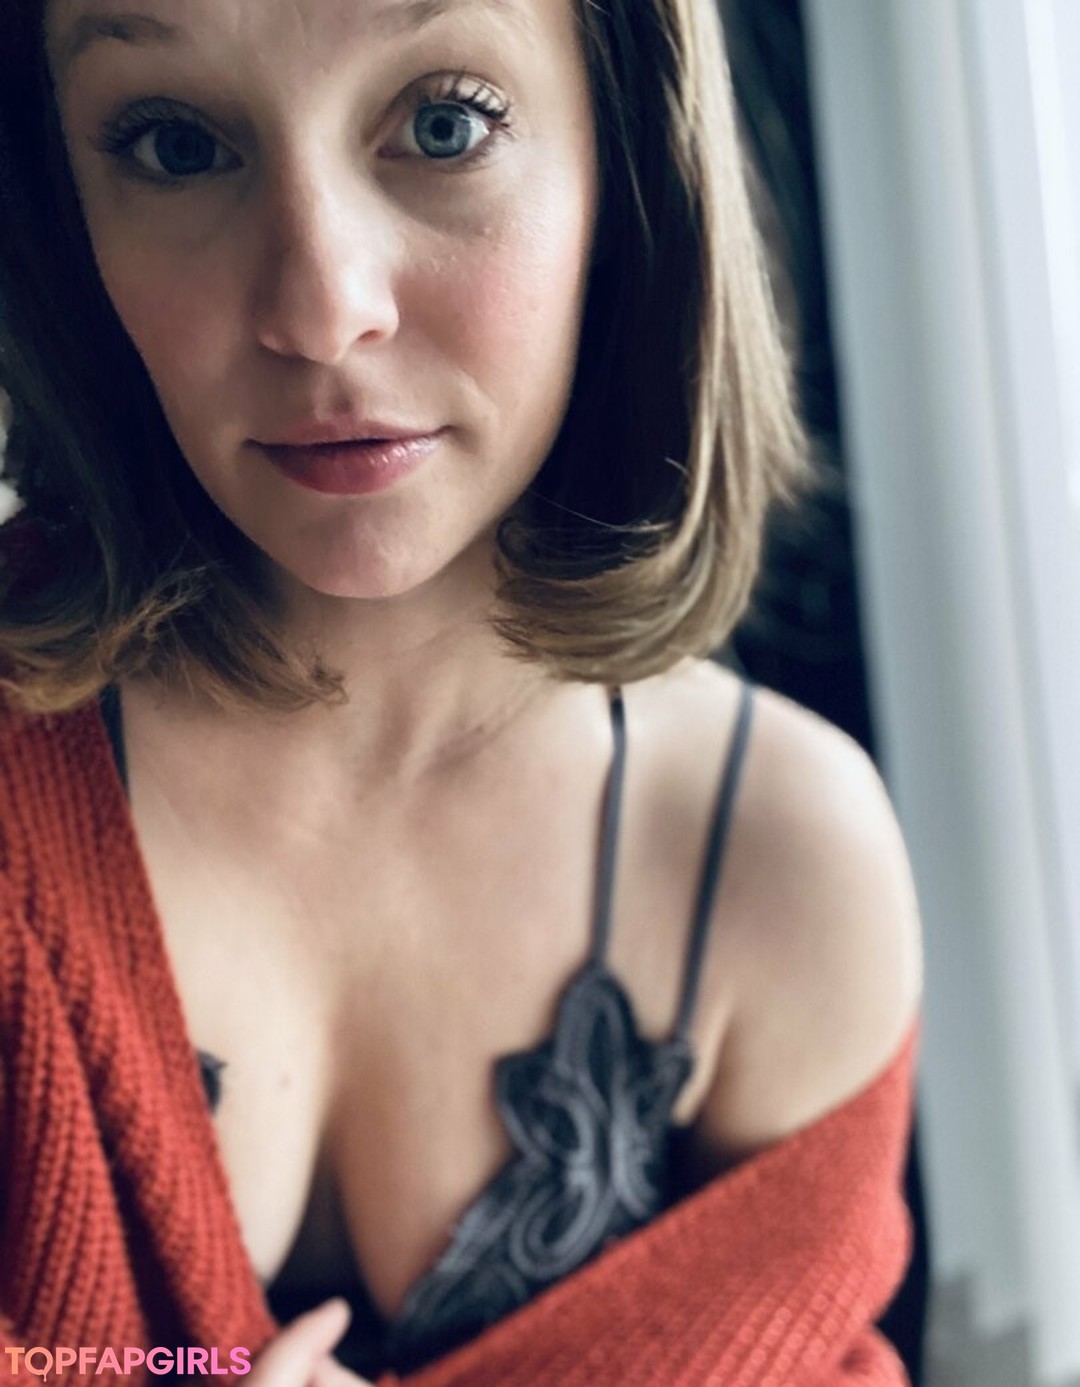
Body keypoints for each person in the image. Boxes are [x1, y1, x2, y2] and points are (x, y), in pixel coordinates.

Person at [0, 1, 924, 1384]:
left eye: (444, 125)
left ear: (629, 154)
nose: (321, 312)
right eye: (176, 144)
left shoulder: (776, 869)